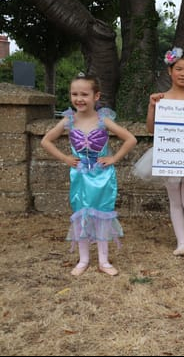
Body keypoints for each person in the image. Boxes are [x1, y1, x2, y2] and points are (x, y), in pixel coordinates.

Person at [41, 73, 137, 276]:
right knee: (81, 215)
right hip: (80, 176)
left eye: (84, 94)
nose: (79, 98)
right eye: (74, 94)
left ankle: (103, 260)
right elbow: (46, 141)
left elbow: (130, 139)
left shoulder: (104, 120)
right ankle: (83, 259)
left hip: (102, 176)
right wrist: (65, 158)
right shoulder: (68, 120)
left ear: (96, 96)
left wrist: (114, 158)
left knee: (102, 215)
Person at [137, 47, 184, 257]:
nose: (183, 74)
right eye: (178, 69)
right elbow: (151, 129)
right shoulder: (161, 99)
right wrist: (152, 107)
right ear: (170, 71)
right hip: (168, 153)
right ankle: (181, 241)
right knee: (175, 201)